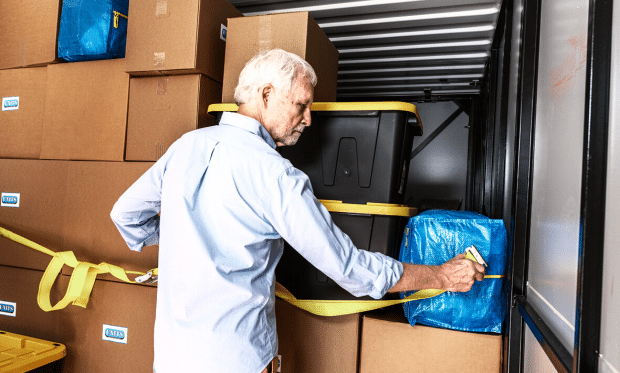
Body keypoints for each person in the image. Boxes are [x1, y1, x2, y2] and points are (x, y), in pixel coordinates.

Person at [110, 48, 485, 373]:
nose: (308, 119)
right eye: (301, 105)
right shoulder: (276, 174)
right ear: (267, 94)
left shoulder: (186, 146)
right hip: (236, 361)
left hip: (171, 362)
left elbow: (125, 215)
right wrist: (441, 277)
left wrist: (179, 234)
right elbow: (351, 270)